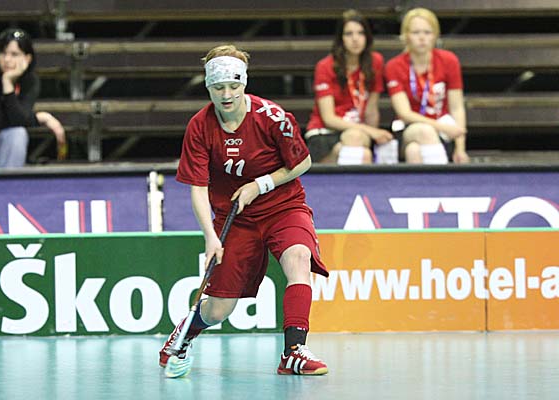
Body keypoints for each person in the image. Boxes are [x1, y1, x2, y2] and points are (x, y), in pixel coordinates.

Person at [159, 44, 329, 376]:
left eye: (233, 86)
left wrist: (260, 184)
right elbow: (198, 187)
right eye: (218, 87)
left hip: (283, 207)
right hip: (235, 219)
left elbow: (303, 162)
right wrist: (210, 238)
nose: (226, 94)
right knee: (219, 310)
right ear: (208, 87)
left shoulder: (273, 118)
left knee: (299, 258)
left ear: (244, 83)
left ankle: (294, 352)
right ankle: (185, 332)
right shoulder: (200, 126)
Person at [0, 28, 66, 168]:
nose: (7, 59)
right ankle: (9, 181)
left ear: (27, 58)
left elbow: (19, 120)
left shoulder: (30, 81)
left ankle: (7, 181)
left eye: (14, 54)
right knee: (12, 144)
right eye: (3, 53)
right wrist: (40, 118)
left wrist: (8, 84)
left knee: (17, 134)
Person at [305, 9, 393, 165]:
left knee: (362, 147)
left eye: (360, 33)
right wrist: (370, 131)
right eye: (349, 34)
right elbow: (329, 118)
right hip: (325, 132)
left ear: (367, 37)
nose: (355, 39)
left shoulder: (375, 62)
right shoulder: (325, 66)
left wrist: (373, 137)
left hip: (358, 133)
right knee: (359, 147)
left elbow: (371, 111)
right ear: (341, 39)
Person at [384, 7, 469, 164]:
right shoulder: (394, 66)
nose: (422, 38)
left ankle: (423, 181)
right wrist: (440, 127)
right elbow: (404, 113)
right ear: (405, 36)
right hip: (409, 128)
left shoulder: (449, 61)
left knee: (414, 151)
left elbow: (457, 107)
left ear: (435, 35)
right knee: (425, 131)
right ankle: (442, 177)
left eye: (427, 32)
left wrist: (460, 148)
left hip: (444, 131)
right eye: (416, 32)